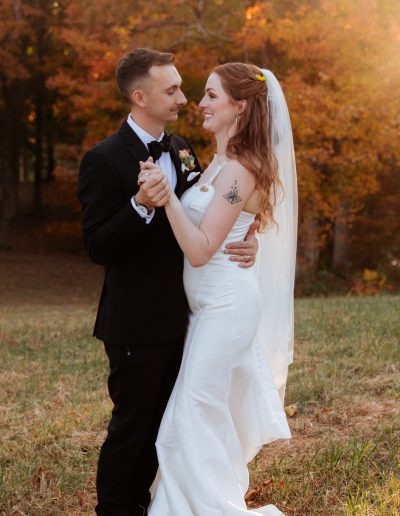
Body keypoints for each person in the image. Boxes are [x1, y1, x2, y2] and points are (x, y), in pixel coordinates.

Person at [78, 49, 259, 516]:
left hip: (189, 315)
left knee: (171, 422)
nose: (184, 97)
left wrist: (251, 234)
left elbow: (218, 209)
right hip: (136, 319)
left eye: (185, 87)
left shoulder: (183, 147)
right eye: (172, 89)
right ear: (140, 97)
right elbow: (97, 246)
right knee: (133, 427)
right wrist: (139, 204)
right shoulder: (104, 159)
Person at [139, 63, 298, 515]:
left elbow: (203, 249)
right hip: (206, 307)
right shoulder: (219, 164)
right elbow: (239, 222)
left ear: (240, 106)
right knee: (202, 415)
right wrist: (253, 236)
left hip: (226, 307)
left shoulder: (240, 168)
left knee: (189, 415)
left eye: (211, 96)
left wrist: (167, 196)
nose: (200, 104)